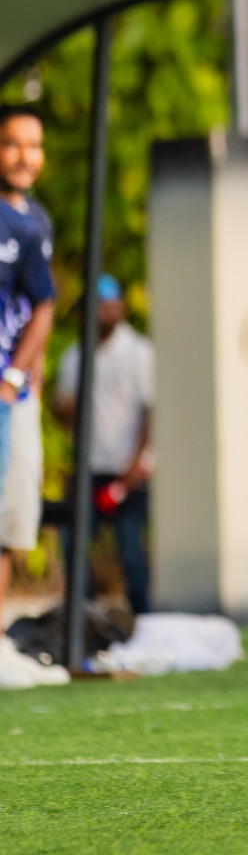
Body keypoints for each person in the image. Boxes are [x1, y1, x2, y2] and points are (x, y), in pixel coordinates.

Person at [0, 104, 63, 690]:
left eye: (34, 144)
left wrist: (23, 378)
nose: (24, 156)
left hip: (12, 395)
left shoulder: (34, 220)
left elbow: (41, 306)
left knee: (12, 519)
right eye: (13, 144)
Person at [54, 275, 154, 619]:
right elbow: (65, 410)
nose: (107, 311)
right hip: (87, 470)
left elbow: (150, 411)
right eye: (100, 305)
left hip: (127, 470)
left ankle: (143, 620)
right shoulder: (75, 356)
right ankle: (86, 618)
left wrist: (138, 464)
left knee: (131, 551)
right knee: (75, 546)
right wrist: (62, 411)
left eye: (113, 304)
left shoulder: (139, 352)